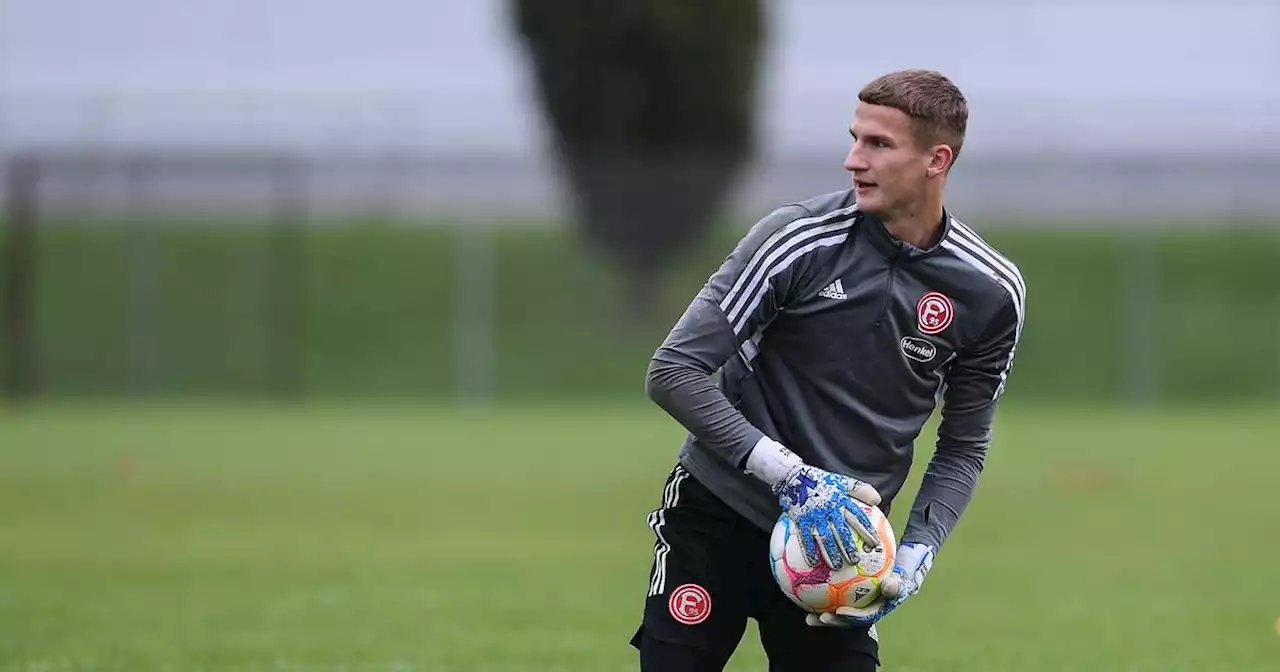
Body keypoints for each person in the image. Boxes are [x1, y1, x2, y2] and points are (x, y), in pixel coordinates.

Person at [629, 69, 1026, 671]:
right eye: (854, 138)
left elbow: (964, 444)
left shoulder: (990, 292)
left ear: (936, 160)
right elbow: (675, 370)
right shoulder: (795, 239)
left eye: (878, 144)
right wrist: (790, 476)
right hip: (716, 516)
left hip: (841, 549)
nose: (852, 160)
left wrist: (918, 548)